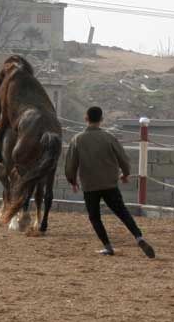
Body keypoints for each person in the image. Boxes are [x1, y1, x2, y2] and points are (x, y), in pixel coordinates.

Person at [65, 106, 155, 258]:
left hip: (90, 185)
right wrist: (125, 174)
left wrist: (72, 181)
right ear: (101, 119)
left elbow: (71, 163)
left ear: (86, 118)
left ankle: (108, 247)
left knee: (94, 217)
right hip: (110, 183)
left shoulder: (77, 139)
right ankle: (139, 237)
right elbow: (123, 158)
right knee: (122, 212)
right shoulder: (109, 137)